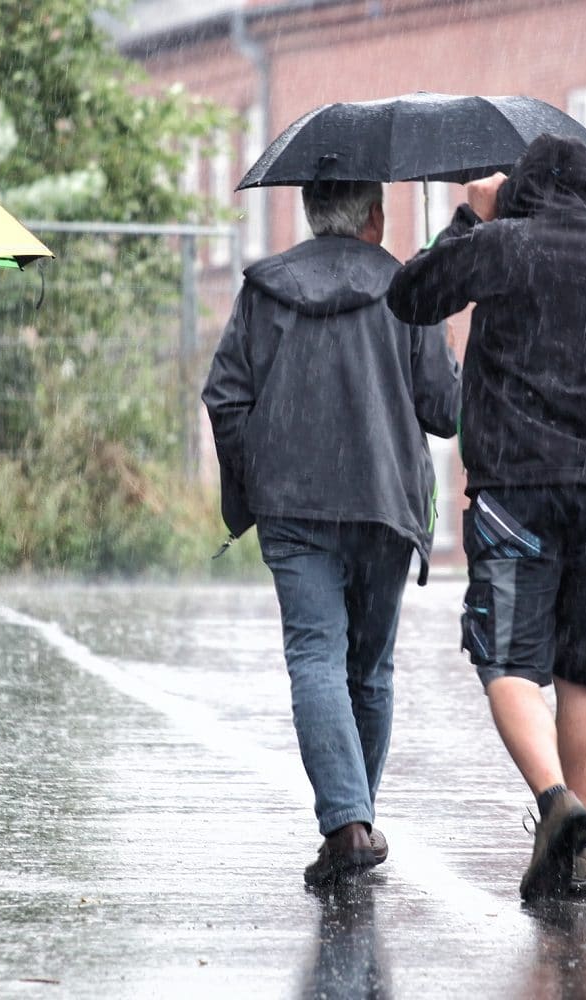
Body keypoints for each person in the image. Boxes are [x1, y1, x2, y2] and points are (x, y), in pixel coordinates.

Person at [386, 134, 586, 900]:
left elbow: (411, 297)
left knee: (509, 664)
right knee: (585, 673)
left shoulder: (500, 246)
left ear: (522, 192)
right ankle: (574, 850)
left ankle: (554, 801)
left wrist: (470, 215)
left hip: (516, 487)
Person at [202, 179, 461, 888]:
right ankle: (354, 821)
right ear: (374, 216)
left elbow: (224, 395)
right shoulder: (410, 289)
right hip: (383, 503)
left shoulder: (266, 289)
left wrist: (255, 479)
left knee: (316, 658)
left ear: (313, 215)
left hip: (294, 507)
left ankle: (348, 824)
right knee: (369, 672)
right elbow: (444, 410)